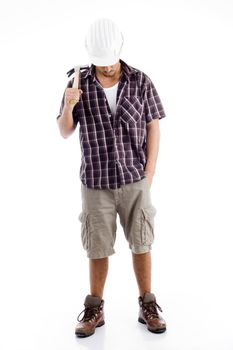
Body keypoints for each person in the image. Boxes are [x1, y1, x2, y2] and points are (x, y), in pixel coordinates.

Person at [57, 18, 167, 338]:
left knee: (142, 241)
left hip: (135, 178)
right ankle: (95, 309)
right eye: (99, 62)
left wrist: (150, 173)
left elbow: (153, 125)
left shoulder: (140, 81)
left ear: (119, 49)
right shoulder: (77, 83)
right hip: (95, 181)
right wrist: (68, 106)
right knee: (98, 247)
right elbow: (65, 131)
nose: (105, 68)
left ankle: (147, 304)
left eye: (109, 61)